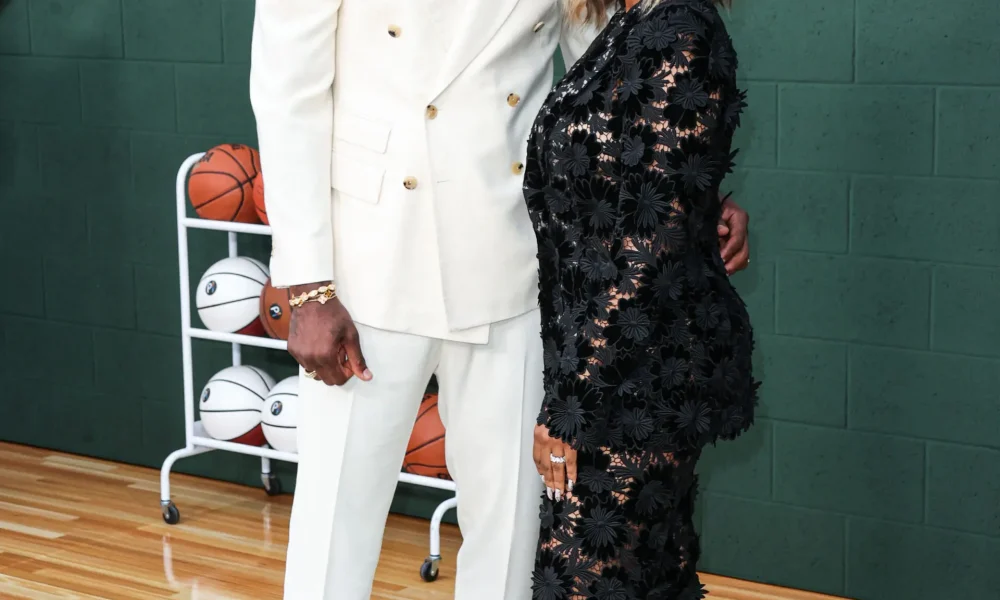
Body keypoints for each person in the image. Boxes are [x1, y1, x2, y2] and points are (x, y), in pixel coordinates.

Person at [248, 0, 750, 597]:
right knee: (335, 523)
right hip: (368, 263)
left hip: (513, 252)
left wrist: (679, 194)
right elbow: (287, 87)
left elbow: (612, 60)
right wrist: (307, 283)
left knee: (513, 528)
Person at [526, 1, 758, 598]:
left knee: (592, 580)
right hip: (613, 363)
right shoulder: (625, 25)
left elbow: (650, 245)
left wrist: (571, 406)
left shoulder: (681, 30)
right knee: (651, 578)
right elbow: (645, 177)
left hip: (637, 375)